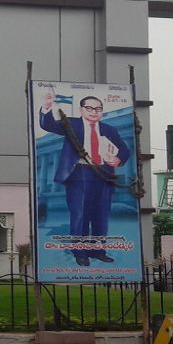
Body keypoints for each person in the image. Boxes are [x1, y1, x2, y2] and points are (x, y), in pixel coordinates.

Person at [37, 89, 131, 266]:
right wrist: (47, 107)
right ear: (81, 110)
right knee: (80, 214)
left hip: (103, 174)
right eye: (90, 108)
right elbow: (48, 125)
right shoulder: (71, 124)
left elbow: (125, 150)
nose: (94, 112)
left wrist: (117, 159)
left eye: (98, 109)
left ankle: (98, 251)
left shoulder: (109, 129)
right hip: (79, 173)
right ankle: (80, 253)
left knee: (101, 215)